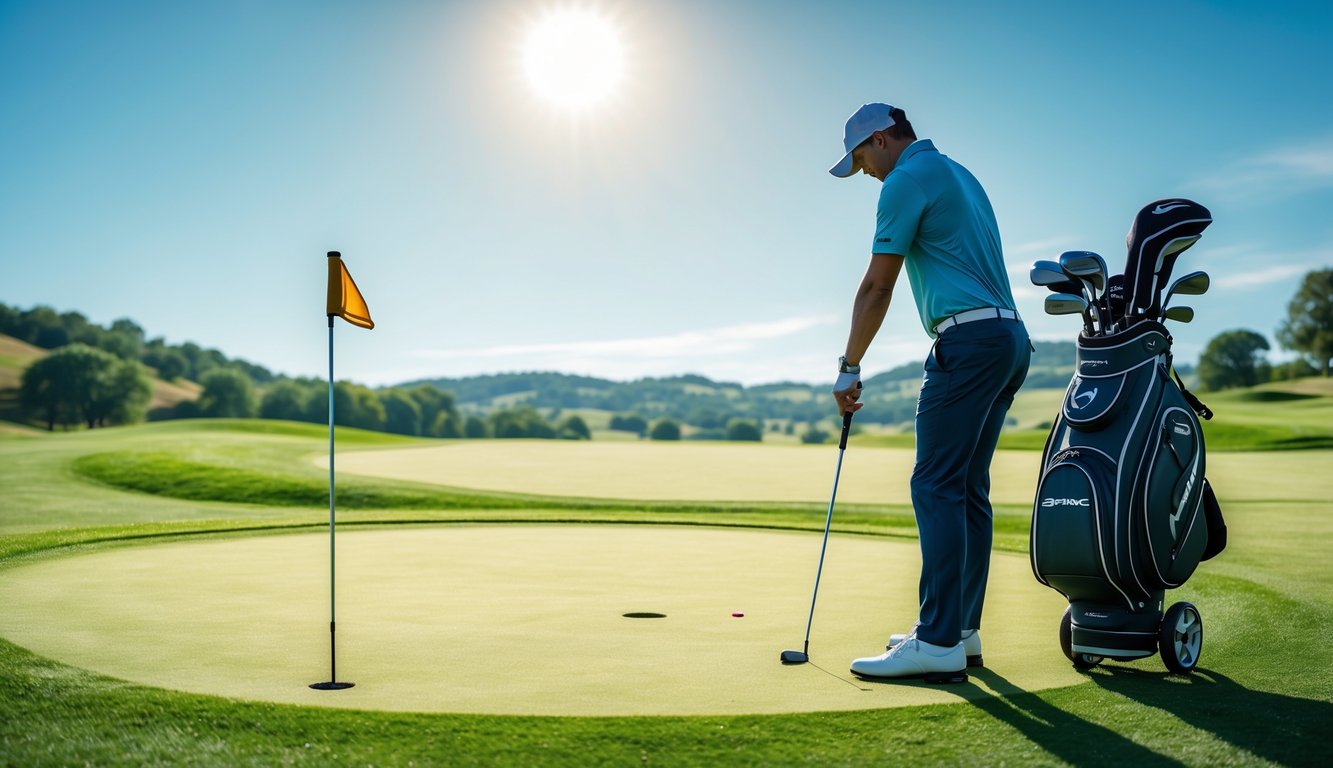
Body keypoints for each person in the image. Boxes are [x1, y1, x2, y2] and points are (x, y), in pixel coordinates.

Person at [828, 103, 1030, 683]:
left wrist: (849, 366)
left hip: (967, 344)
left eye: (861, 156)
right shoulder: (959, 173)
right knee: (966, 489)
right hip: (1008, 339)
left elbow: (877, 285)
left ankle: (938, 639)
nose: (863, 169)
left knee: (935, 483)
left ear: (881, 139)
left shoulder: (904, 179)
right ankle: (960, 632)